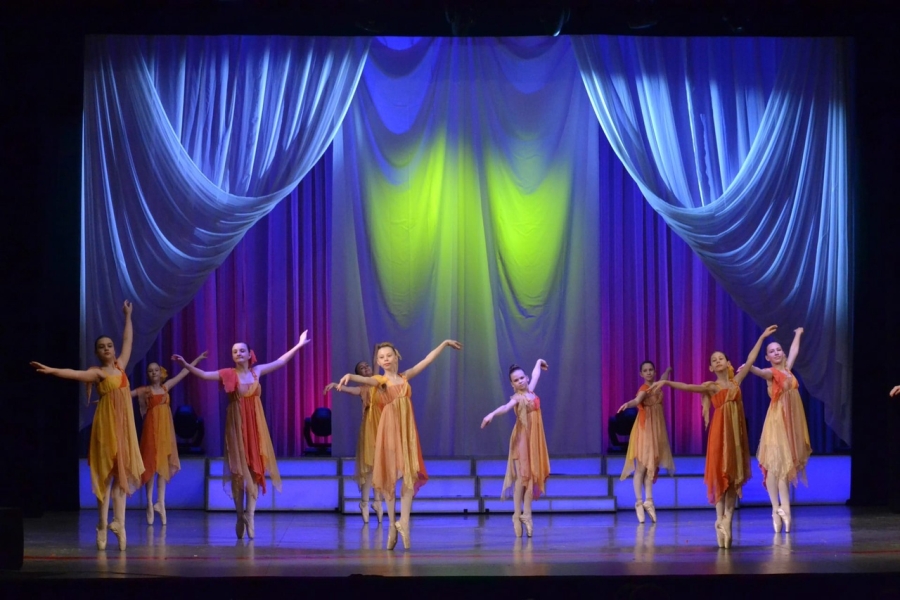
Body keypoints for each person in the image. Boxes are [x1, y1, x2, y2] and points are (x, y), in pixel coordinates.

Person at [172, 331, 310, 540]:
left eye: (241, 350)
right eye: (235, 351)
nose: (238, 353)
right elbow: (204, 374)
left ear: (249, 354)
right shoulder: (228, 373)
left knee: (255, 471)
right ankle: (239, 515)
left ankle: (250, 516)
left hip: (255, 426)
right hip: (236, 427)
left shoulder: (256, 371)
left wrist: (298, 345)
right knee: (238, 472)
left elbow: (280, 361)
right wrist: (186, 365)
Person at [651, 325, 778, 548]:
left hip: (736, 437)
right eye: (714, 360)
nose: (718, 361)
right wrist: (666, 382)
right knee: (720, 475)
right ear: (711, 367)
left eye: (721, 358)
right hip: (719, 435)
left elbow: (750, 359)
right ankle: (719, 519)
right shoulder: (711, 387)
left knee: (734, 477)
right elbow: (688, 386)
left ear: (728, 363)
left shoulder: (736, 381)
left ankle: (727, 520)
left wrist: (761, 337)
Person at [30, 300, 143, 551]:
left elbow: (128, 340)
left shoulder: (121, 367)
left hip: (124, 430)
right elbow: (74, 373)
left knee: (121, 478)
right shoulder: (98, 373)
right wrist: (51, 370)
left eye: (109, 345)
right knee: (105, 478)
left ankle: (119, 524)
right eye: (102, 347)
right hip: (106, 428)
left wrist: (128, 315)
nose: (107, 349)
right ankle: (102, 524)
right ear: (97, 353)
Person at [338, 339, 462, 550]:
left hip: (407, 431)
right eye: (381, 357)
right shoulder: (380, 380)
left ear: (396, 356)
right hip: (389, 431)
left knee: (409, 475)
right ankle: (392, 527)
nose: (385, 359)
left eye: (389, 355)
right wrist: (350, 376)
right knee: (390, 477)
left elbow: (426, 360)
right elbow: (364, 379)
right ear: (378, 361)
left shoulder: (405, 377)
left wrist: (444, 344)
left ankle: (403, 522)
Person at [740, 327, 811, 533]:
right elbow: (760, 372)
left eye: (779, 349)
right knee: (775, 465)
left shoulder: (788, 369)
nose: (776, 352)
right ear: (767, 357)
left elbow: (794, 351)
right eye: (772, 351)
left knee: (785, 467)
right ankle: (776, 509)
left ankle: (784, 510)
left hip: (792, 423)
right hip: (776, 421)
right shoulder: (771, 372)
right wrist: (750, 367)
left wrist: (797, 334)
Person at [131, 351, 207, 526]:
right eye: (150, 371)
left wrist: (196, 359)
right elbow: (126, 394)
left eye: (156, 370)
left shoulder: (166, 387)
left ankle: (161, 503)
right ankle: (149, 504)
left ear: (160, 372)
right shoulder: (145, 390)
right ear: (148, 374)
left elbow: (183, 373)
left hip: (165, 432)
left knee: (162, 467)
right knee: (150, 466)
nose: (153, 373)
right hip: (151, 431)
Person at [481, 359, 551, 538]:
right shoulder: (518, 398)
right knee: (522, 478)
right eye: (516, 380)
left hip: (534, 440)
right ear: (512, 385)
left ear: (526, 378)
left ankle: (527, 514)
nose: (520, 381)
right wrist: (491, 414)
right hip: (521, 440)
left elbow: (536, 374)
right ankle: (516, 514)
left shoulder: (531, 391)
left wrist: (538, 362)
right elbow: (505, 407)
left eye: (521, 378)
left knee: (531, 477)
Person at [323, 360, 384, 524]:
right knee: (370, 467)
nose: (366, 368)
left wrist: (379, 350)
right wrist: (335, 384)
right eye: (361, 368)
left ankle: (378, 502)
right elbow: (347, 389)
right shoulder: (362, 389)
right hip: (370, 428)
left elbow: (376, 363)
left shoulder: (378, 381)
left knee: (380, 467)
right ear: (358, 375)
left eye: (366, 366)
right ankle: (365, 502)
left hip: (384, 426)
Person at [617, 362, 675, 524]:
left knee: (652, 466)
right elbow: (637, 400)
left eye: (651, 370)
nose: (648, 373)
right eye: (645, 371)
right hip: (645, 430)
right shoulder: (644, 389)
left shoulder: (658, 385)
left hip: (657, 430)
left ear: (654, 372)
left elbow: (663, 378)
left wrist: (668, 370)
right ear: (641, 374)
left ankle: (649, 500)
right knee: (641, 468)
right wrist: (628, 404)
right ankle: (638, 502)